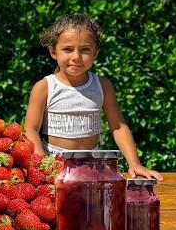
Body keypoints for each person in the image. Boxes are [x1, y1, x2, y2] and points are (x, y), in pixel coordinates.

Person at [24, 13, 163, 181]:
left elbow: (118, 127)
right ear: (53, 51)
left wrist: (135, 163)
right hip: (54, 166)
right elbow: (31, 130)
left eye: (85, 50)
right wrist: (44, 165)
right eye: (67, 49)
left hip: (93, 166)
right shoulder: (44, 87)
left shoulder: (103, 85)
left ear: (96, 53)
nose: (76, 57)